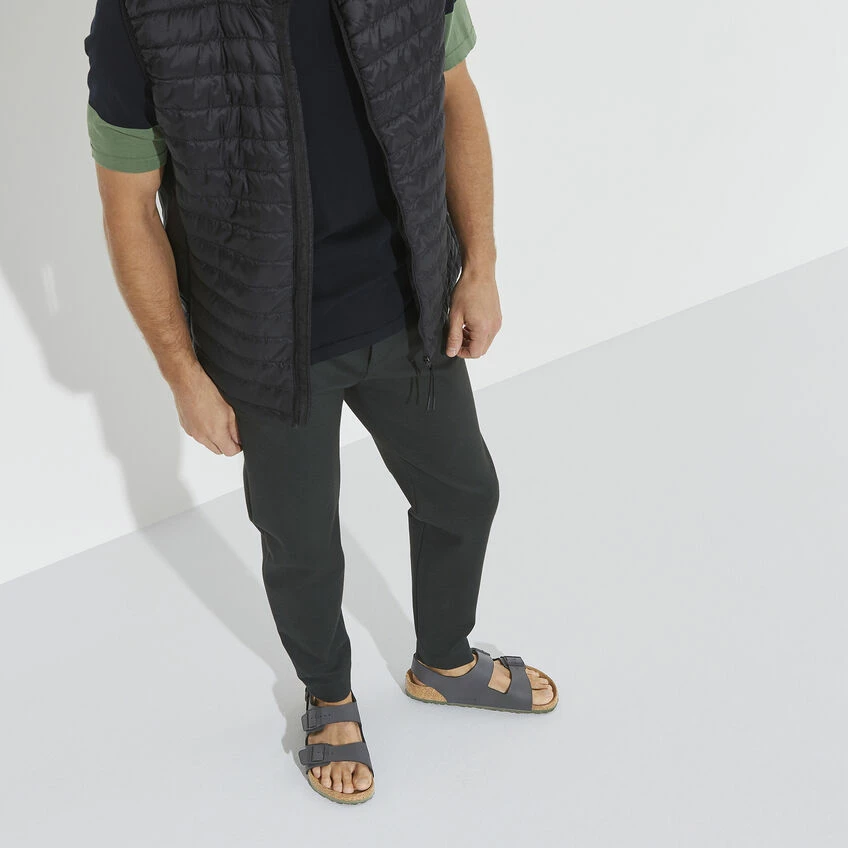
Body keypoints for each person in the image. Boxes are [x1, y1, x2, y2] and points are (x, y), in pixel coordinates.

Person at [84, 0, 557, 805]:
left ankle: (443, 660)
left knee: (465, 494)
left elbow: (453, 93)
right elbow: (129, 204)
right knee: (301, 541)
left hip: (407, 304)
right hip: (266, 341)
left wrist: (479, 265)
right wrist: (182, 374)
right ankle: (328, 697)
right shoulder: (139, 12)